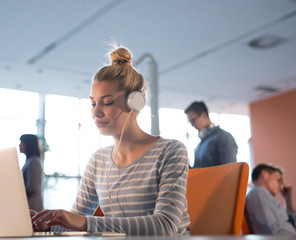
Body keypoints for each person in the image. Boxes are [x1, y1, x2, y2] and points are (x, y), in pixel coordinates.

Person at [31, 46, 190, 236]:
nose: (96, 112)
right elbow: (76, 221)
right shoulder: (98, 160)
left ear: (135, 102)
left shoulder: (170, 151)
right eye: (93, 103)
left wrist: (84, 223)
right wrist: (45, 224)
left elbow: (165, 227)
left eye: (107, 102)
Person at [244, 163, 295, 236]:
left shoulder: (263, 195)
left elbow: (290, 223)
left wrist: (287, 198)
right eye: (278, 180)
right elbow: (273, 232)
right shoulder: (258, 192)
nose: (281, 187)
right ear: (264, 174)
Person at [184, 101, 238, 168]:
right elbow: (198, 172)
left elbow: (228, 171)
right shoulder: (199, 146)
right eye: (190, 122)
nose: (192, 125)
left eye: (193, 120)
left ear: (204, 115)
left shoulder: (224, 137)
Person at [19, 134, 44, 212]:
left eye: (21, 142)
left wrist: (18, 191)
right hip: (31, 205)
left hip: (33, 206)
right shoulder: (31, 161)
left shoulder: (33, 161)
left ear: (28, 144)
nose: (19, 145)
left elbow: (34, 187)